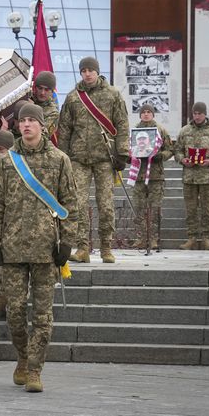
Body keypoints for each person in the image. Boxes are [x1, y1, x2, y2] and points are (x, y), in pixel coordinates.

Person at [0, 103, 78, 392]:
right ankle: (23, 356)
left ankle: (35, 369)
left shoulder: (59, 160)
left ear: (42, 126)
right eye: (22, 121)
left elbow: (71, 204)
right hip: (12, 250)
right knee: (14, 312)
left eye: (31, 121)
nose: (26, 125)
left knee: (42, 315)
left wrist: (67, 242)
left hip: (45, 250)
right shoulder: (6, 162)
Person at [57, 56, 129, 264]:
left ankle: (106, 246)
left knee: (105, 204)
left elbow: (122, 124)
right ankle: (82, 248)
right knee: (77, 204)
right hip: (78, 158)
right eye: (84, 70)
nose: (87, 73)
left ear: (97, 71)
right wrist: (63, 157)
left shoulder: (113, 95)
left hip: (105, 158)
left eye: (90, 70)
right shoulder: (73, 98)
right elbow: (64, 130)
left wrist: (122, 154)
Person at [173, 102, 209, 250]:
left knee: (206, 208)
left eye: (199, 113)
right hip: (190, 177)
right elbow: (177, 150)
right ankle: (191, 238)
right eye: (195, 113)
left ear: (205, 114)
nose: (197, 116)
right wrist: (183, 160)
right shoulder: (185, 131)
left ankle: (206, 238)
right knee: (190, 209)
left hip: (207, 177)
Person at [128, 104, 174, 250]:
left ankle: (153, 238)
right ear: (140, 114)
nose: (146, 114)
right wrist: (130, 157)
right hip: (139, 176)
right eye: (143, 112)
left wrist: (160, 156)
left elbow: (170, 149)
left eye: (149, 112)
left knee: (154, 209)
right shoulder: (134, 131)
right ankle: (141, 238)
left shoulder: (160, 131)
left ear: (153, 114)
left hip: (155, 175)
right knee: (139, 208)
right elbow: (128, 149)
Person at [32, 71, 60, 141]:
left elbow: (41, 135)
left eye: (47, 90)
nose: (42, 93)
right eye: (40, 88)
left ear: (52, 92)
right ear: (35, 88)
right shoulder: (28, 99)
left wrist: (31, 109)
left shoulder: (53, 113)